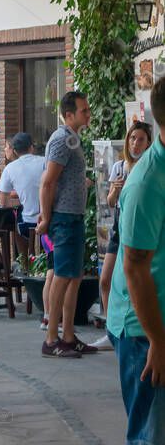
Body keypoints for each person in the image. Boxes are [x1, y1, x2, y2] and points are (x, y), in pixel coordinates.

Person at [108, 76, 165, 445]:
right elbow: (134, 267)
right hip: (145, 332)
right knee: (150, 435)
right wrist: (157, 343)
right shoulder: (147, 182)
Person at [37, 90, 97, 357]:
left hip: (72, 215)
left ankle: (69, 335)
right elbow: (48, 181)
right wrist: (46, 217)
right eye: (84, 111)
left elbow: (61, 179)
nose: (88, 114)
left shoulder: (73, 139)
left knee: (73, 277)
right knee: (62, 277)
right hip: (63, 217)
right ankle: (52, 339)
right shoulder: (62, 139)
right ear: (69, 114)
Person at [97, 122, 153, 337]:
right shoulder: (119, 167)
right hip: (120, 225)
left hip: (138, 225)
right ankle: (110, 329)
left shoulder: (149, 168)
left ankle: (138, 329)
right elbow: (110, 202)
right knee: (105, 279)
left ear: (148, 143)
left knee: (134, 279)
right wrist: (115, 190)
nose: (135, 143)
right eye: (132, 138)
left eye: (140, 139)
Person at [0, 131, 45, 260]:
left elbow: (4, 203)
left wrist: (22, 202)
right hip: (49, 222)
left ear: (15, 151)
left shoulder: (10, 168)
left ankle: (24, 262)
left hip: (26, 225)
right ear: (32, 148)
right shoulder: (45, 162)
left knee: (17, 218)